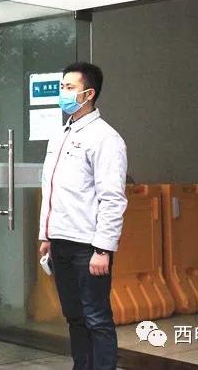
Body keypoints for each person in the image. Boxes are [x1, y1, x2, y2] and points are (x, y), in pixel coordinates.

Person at [38, 62, 127, 370]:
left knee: (96, 318)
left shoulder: (105, 138)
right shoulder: (59, 135)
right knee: (74, 317)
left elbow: (112, 198)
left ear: (89, 94)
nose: (62, 93)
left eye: (69, 87)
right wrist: (46, 235)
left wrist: (103, 249)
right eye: (61, 86)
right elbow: (50, 189)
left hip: (88, 246)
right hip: (60, 241)